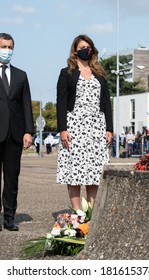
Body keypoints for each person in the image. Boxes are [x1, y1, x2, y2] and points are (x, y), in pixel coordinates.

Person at [0, 33, 34, 232]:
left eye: (10, 47)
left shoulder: (21, 75)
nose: (7, 51)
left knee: (12, 177)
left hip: (15, 133)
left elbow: (26, 104)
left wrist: (28, 131)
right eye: (3, 46)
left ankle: (9, 217)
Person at [56, 34, 113, 210]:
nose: (85, 50)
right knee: (75, 170)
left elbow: (106, 102)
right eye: (81, 47)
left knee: (94, 172)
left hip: (97, 127)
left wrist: (109, 128)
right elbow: (61, 102)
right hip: (75, 126)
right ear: (75, 51)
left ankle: (91, 212)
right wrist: (62, 129)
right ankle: (77, 213)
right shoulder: (67, 73)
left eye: (88, 47)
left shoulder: (99, 74)